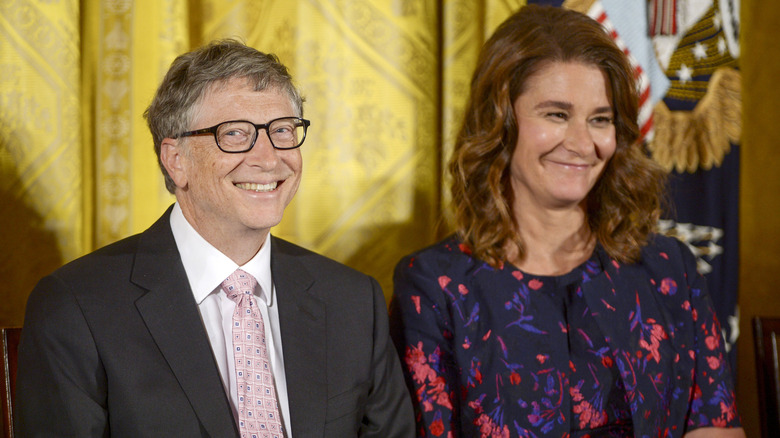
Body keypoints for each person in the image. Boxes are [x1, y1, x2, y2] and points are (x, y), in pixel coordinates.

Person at [15, 39, 414, 437]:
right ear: (176, 160)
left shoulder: (353, 301)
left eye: (282, 131)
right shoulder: (77, 306)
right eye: (236, 134)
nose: (270, 157)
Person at [390, 5, 744, 438]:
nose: (582, 143)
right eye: (557, 114)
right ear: (500, 122)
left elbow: (715, 426)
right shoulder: (434, 285)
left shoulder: (671, 269)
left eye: (600, 119)